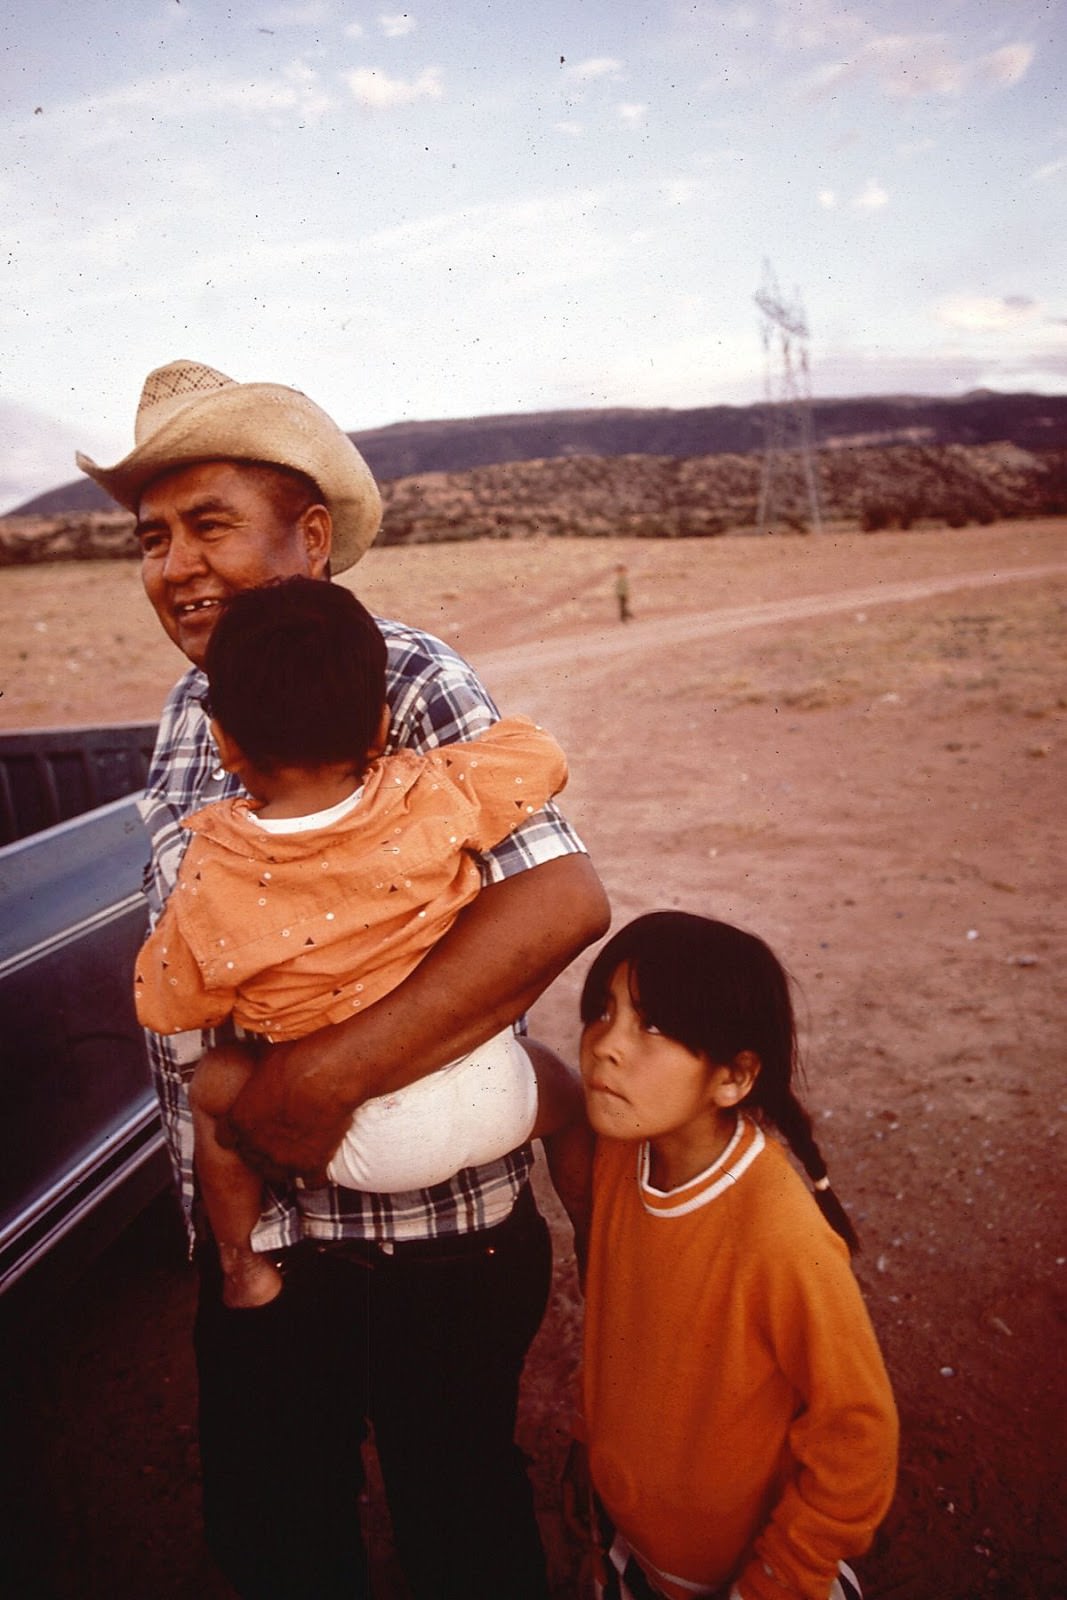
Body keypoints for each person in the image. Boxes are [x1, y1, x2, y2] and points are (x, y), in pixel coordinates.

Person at [76, 358, 610, 1600]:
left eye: (210, 523)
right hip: (259, 1250)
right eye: (152, 537)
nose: (176, 564)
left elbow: (559, 900)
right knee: (273, 1536)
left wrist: (307, 1086)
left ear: (308, 538)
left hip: (428, 1250)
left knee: (460, 1526)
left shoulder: (401, 675)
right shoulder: (184, 712)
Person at [134, 576, 585, 1310]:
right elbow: (536, 759)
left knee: (214, 1088)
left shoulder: (213, 870)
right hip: (499, 1100)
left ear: (225, 743)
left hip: (357, 1151)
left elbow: (168, 1001)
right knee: (561, 1085)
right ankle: (592, 1223)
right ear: (380, 729)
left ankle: (240, 1261)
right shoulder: (430, 792)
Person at [569, 911, 898, 1600]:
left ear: (733, 1077)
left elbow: (857, 1435)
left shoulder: (779, 1235)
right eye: (602, 1012)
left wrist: (779, 1580)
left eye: (651, 1026)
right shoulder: (620, 1152)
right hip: (636, 1554)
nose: (605, 1045)